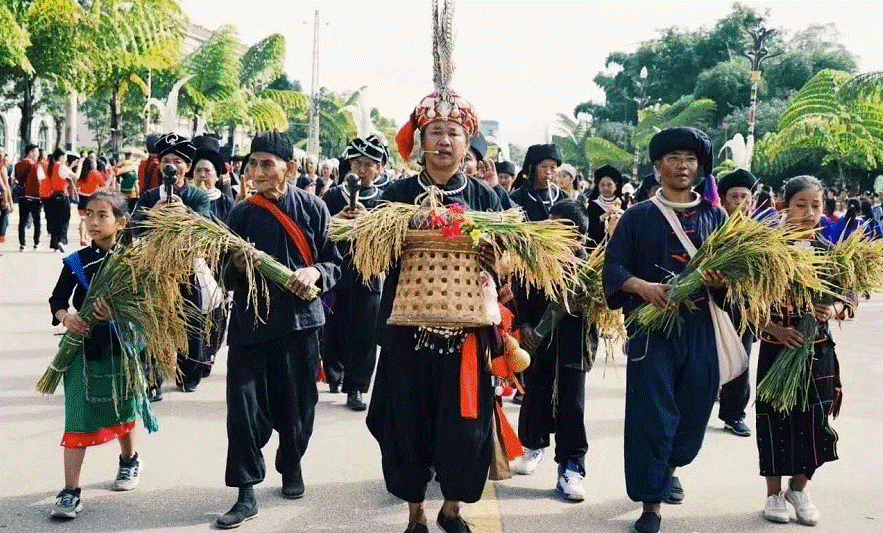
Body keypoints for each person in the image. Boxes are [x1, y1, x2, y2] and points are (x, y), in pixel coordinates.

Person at [369, 90, 501, 533]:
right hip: (407, 331)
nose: (444, 142)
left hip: (465, 334)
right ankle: (414, 513)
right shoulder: (396, 195)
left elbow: (512, 261)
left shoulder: (487, 198)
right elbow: (372, 258)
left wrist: (494, 257)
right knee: (406, 423)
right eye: (435, 133)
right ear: (421, 140)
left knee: (465, 428)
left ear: (468, 144)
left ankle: (451, 508)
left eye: (454, 134)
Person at [603, 127, 731, 533]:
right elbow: (614, 269)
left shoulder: (717, 217)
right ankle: (651, 503)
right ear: (658, 166)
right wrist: (642, 287)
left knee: (694, 413)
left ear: (699, 167)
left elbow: (736, 277)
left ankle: (671, 466)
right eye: (674, 158)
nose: (682, 165)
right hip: (651, 331)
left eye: (690, 159)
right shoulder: (637, 216)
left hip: (701, 329)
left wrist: (720, 281)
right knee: (651, 416)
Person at [216, 132, 341, 529]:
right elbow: (223, 275)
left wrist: (314, 272)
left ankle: (291, 464)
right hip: (251, 325)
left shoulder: (314, 208)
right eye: (253, 164)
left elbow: (334, 263)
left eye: (267, 164)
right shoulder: (241, 213)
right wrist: (235, 265)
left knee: (299, 406)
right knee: (243, 411)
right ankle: (246, 490)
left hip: (301, 324)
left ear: (290, 166)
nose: (258, 172)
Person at [48, 190, 156, 519]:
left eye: (102, 215)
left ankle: (129, 461)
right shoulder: (77, 262)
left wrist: (120, 315)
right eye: (89, 214)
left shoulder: (135, 264)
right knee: (77, 415)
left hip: (122, 346)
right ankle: (70, 491)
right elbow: (57, 301)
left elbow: (149, 306)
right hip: (81, 349)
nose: (93, 221)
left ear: (121, 223)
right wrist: (68, 317)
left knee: (123, 407)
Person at [757, 175, 843, 526]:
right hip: (777, 349)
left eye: (816, 205)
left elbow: (846, 298)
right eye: (801, 205)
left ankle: (800, 488)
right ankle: (774, 495)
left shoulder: (830, 249)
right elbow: (745, 303)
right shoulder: (764, 248)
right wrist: (777, 328)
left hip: (817, 350)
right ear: (784, 206)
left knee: (815, 422)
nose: (809, 213)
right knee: (775, 421)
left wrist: (832, 309)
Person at [513, 199, 591, 502]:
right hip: (539, 344)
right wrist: (527, 326)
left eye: (560, 228)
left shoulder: (589, 267)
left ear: (578, 237)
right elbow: (521, 293)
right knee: (537, 394)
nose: (550, 231)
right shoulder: (535, 261)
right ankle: (534, 446)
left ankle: (572, 467)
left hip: (575, 347)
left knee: (572, 404)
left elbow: (605, 303)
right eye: (549, 223)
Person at [133, 133, 211, 396]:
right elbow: (134, 230)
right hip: (156, 271)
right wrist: (153, 214)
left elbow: (206, 230)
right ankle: (152, 378)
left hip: (187, 269)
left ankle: (189, 375)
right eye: (166, 160)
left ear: (187, 166)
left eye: (177, 161)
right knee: (154, 323)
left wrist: (184, 215)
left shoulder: (196, 197)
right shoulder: (148, 196)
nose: (171, 166)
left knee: (191, 322)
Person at [322, 135, 388, 410]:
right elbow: (320, 229)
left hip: (368, 274)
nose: (362, 169)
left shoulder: (384, 199)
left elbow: (389, 236)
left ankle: (356, 387)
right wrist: (337, 221)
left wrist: (369, 222)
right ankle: (334, 375)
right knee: (333, 329)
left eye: (369, 164)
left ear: (380, 169)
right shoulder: (333, 195)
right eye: (357, 163)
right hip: (335, 272)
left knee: (364, 333)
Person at [715, 169, 757, 437]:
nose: (740, 202)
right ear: (724, 200)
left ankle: (734, 414)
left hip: (746, 307)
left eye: (745, 196)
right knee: (709, 361)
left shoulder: (761, 233)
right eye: (734, 197)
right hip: (715, 304)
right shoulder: (714, 230)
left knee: (741, 361)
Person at [509, 144, 565, 221]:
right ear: (533, 169)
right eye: (544, 166)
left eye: (553, 167)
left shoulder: (563, 198)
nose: (548, 172)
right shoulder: (517, 197)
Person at [43, 150, 81, 253]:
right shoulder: (62, 167)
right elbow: (76, 176)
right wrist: (80, 164)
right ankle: (61, 240)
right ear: (61, 157)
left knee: (56, 220)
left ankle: (55, 244)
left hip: (53, 196)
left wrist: (71, 167)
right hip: (63, 196)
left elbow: (63, 174)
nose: (66, 158)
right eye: (65, 156)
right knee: (65, 219)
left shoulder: (52, 166)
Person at [464, 133, 514, 209]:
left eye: (466, 159)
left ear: (478, 167)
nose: (459, 163)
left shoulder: (483, 194)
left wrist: (495, 188)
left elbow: (515, 216)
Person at [585, 165, 625, 247]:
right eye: (602, 185)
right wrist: (605, 216)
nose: (605, 188)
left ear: (616, 186)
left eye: (609, 185)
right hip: (597, 246)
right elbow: (590, 227)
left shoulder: (622, 204)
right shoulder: (592, 205)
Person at [76, 157, 110, 246]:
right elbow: (104, 184)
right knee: (92, 220)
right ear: (92, 164)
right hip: (91, 199)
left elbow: (77, 185)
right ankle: (91, 238)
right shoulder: (94, 173)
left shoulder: (81, 174)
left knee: (83, 220)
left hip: (81, 199)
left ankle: (82, 238)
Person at [15, 144, 42, 251]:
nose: (38, 154)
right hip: (35, 197)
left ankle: (22, 244)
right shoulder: (36, 166)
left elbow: (14, 180)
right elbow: (41, 182)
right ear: (31, 152)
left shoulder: (17, 165)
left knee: (22, 221)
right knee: (37, 221)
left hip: (22, 197)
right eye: (36, 152)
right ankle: (36, 244)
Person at [0, 149, 13, 243]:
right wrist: (7, 201)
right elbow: (5, 187)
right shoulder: (2, 168)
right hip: (1, 197)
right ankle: (1, 235)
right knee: (4, 217)